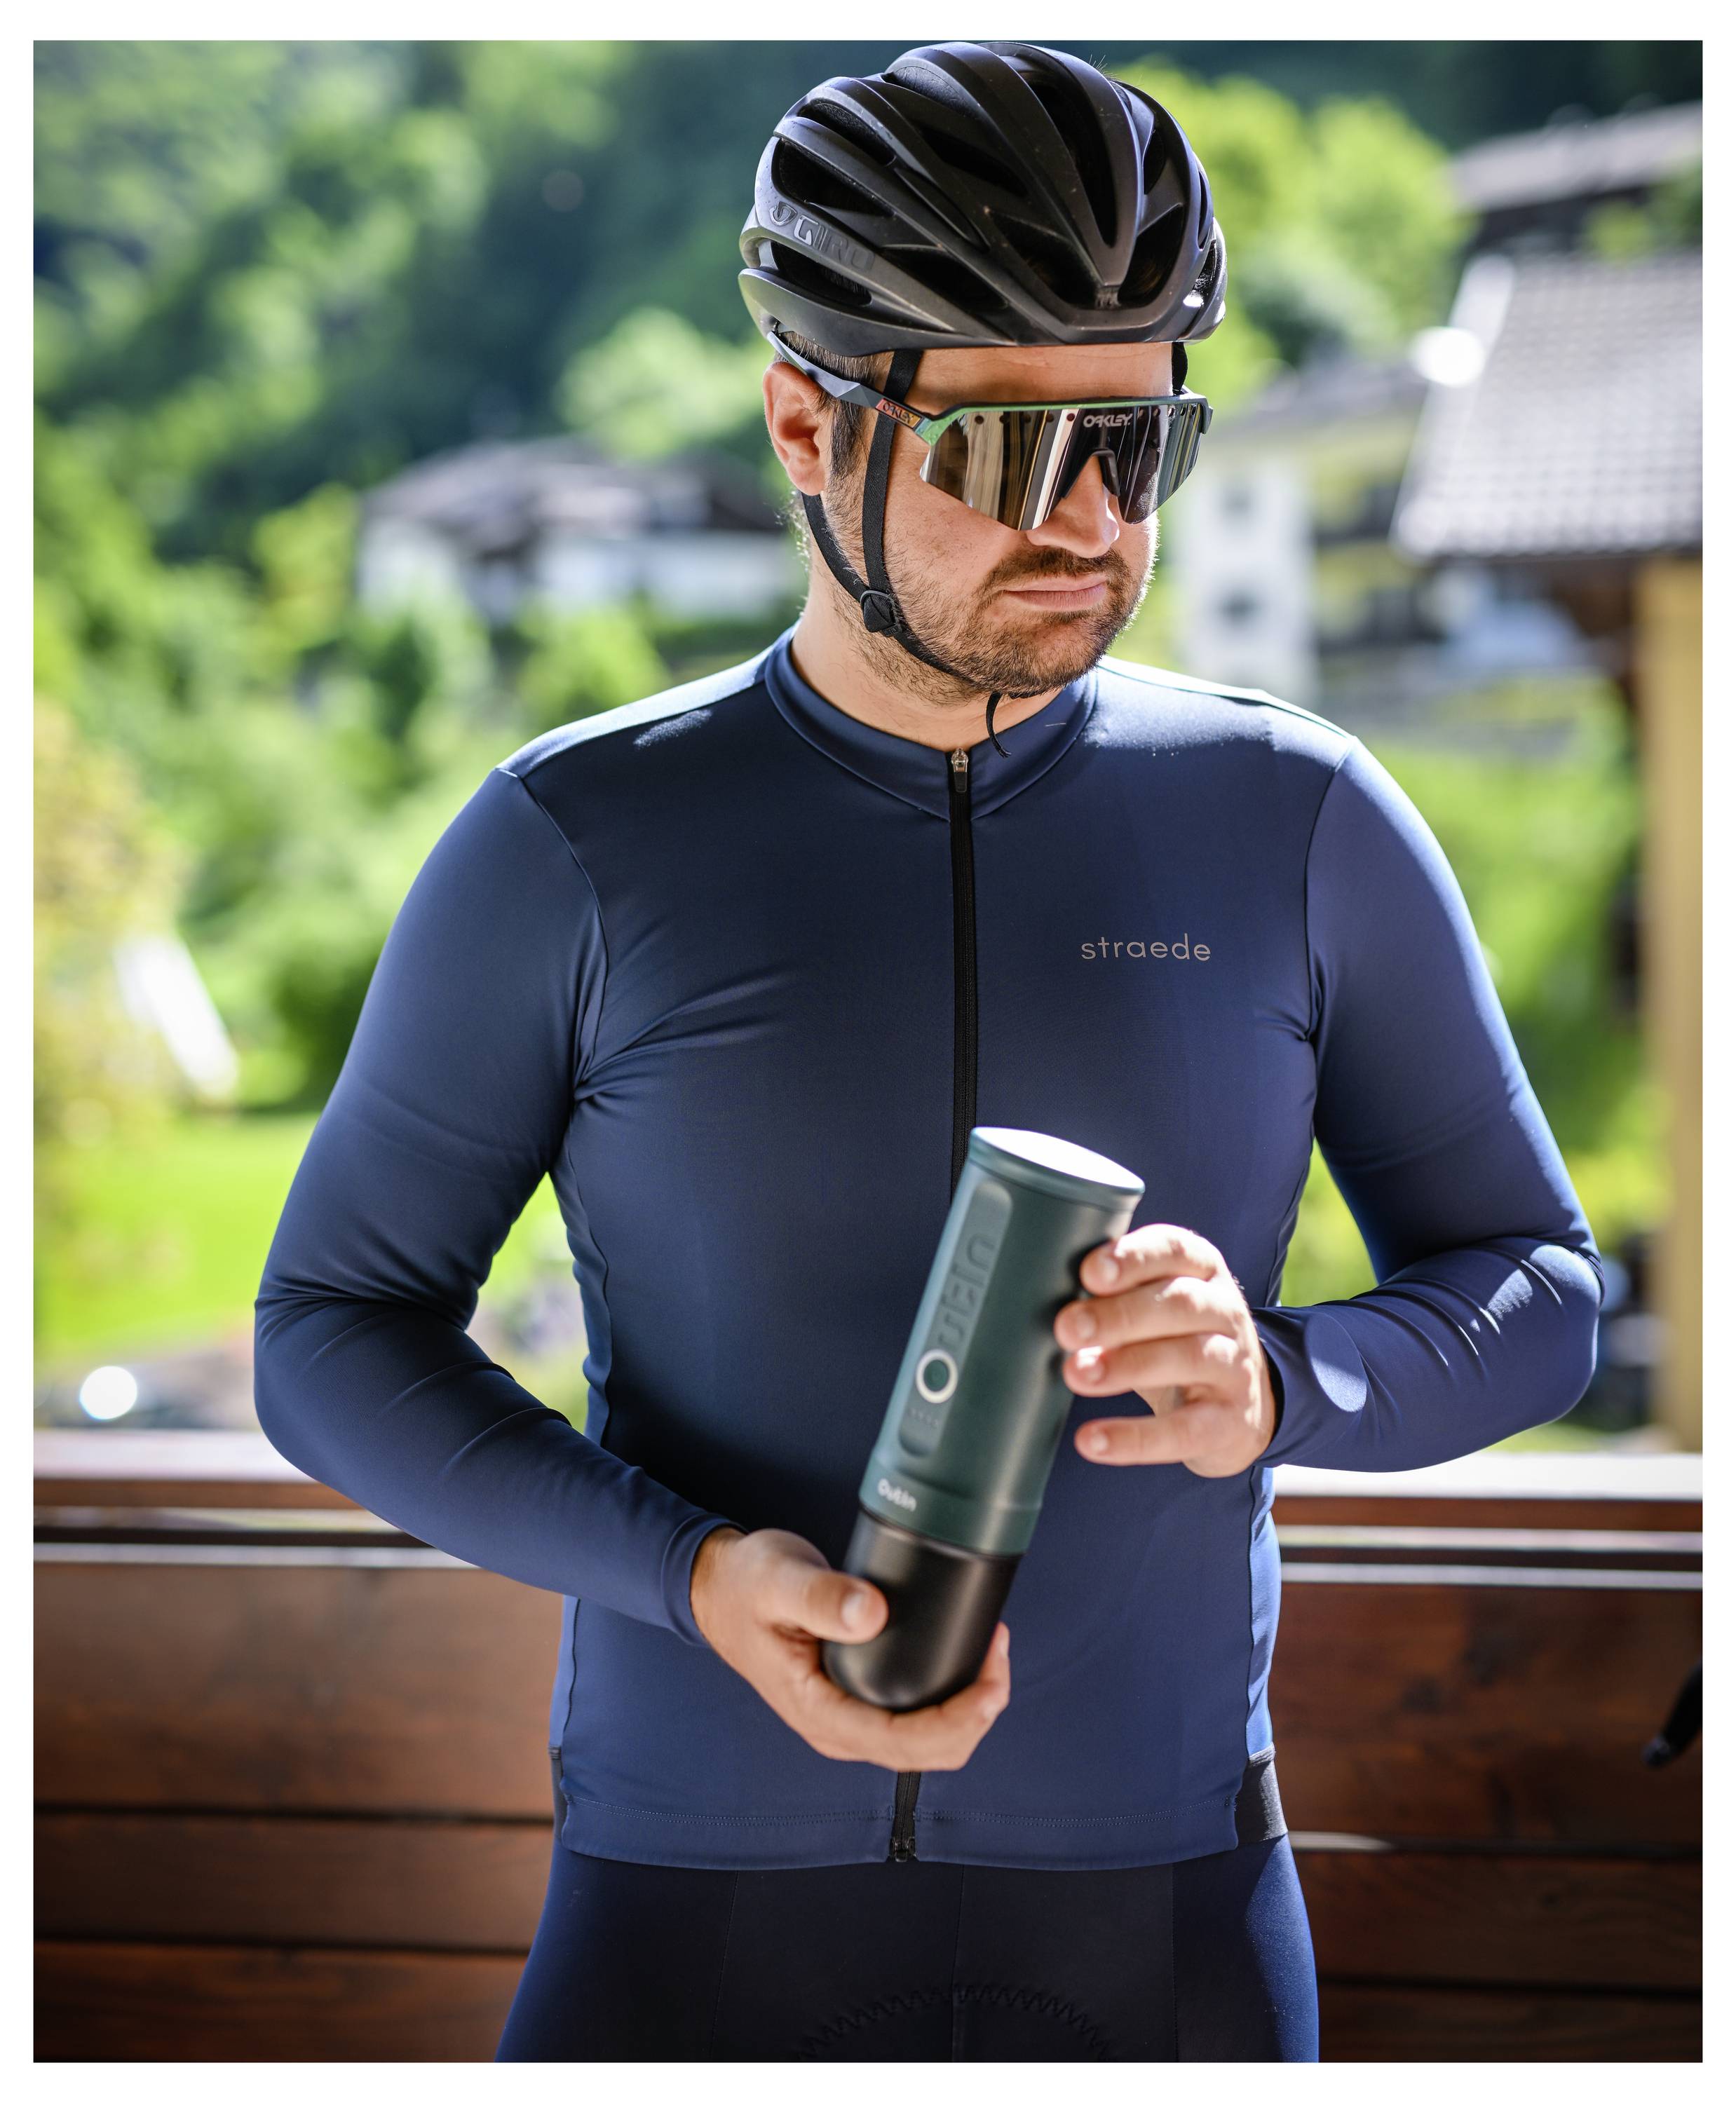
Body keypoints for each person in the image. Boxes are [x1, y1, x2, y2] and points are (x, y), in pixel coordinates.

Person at [253, 41, 1603, 2063]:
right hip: (686, 1928)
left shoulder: (1298, 818)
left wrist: (1288, 1379)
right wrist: (693, 1577)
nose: (1078, 517)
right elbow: (329, 1327)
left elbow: (1543, 1291)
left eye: (1135, 444)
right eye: (993, 447)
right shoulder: (576, 843)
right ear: (809, 419)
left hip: (1164, 1928)